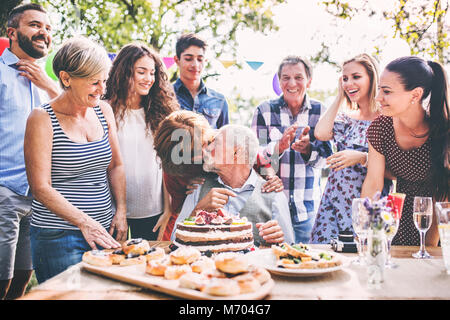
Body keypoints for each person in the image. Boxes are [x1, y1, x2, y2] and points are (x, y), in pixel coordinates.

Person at [24, 36, 127, 284]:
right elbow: (40, 187)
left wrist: (121, 210)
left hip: (104, 231)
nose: (102, 90)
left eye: (104, 81)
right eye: (94, 83)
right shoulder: (42, 118)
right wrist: (84, 222)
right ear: (66, 78)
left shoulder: (104, 110)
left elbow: (116, 165)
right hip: (59, 236)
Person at [0, 3, 59, 300]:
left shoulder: (48, 83)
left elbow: (75, 116)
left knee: (24, 277)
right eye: (35, 25)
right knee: (2, 279)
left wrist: (49, 86)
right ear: (12, 32)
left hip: (36, 197)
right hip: (3, 194)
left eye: (48, 28)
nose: (44, 33)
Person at [153, 110, 284, 240]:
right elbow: (178, 225)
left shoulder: (220, 140)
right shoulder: (175, 174)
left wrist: (271, 177)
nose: (204, 153)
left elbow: (253, 155)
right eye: (193, 153)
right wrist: (186, 209)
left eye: (206, 144)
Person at [361, 56, 449, 246]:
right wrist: (367, 232)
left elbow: (444, 196)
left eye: (386, 91)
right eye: (379, 90)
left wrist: (429, 244)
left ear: (415, 95)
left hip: (441, 223)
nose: (378, 98)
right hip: (400, 214)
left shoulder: (444, 131)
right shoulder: (380, 128)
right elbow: (373, 183)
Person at [310, 53, 392, 244]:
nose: (349, 83)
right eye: (345, 79)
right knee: (324, 257)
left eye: (356, 77)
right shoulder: (347, 117)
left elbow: (393, 169)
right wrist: (340, 96)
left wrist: (361, 157)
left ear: (372, 78)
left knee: (362, 256)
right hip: (333, 201)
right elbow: (321, 133)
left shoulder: (386, 118)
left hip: (367, 201)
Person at [252, 55, 332, 244]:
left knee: (306, 264)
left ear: (309, 81)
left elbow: (326, 160)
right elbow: (256, 160)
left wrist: (307, 149)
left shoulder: (320, 112)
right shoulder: (264, 111)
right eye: (286, 78)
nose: (292, 83)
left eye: (298, 77)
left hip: (307, 210)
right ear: (279, 82)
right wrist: (278, 148)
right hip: (271, 208)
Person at [103, 43, 179, 240]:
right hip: (112, 209)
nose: (149, 79)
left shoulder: (161, 113)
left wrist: (167, 209)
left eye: (152, 73)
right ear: (125, 72)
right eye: (141, 72)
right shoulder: (105, 110)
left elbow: (166, 164)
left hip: (152, 209)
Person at [173, 33, 229, 129]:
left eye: (200, 59)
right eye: (188, 59)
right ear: (177, 60)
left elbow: (225, 138)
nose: (195, 65)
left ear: (205, 61)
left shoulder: (220, 100)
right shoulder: (165, 95)